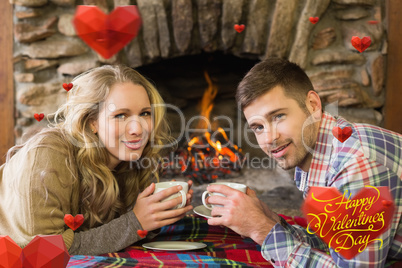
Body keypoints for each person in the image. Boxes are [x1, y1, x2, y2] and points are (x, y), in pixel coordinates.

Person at [205, 57, 402, 267]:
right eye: (258, 127)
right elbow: (332, 244)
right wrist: (268, 218)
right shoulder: (315, 152)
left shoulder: (354, 165)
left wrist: (261, 229)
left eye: (278, 116)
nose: (269, 138)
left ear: (313, 105)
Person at [0, 65, 193, 255]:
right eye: (120, 115)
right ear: (92, 122)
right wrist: (135, 222)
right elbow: (43, 251)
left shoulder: (126, 159)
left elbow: (108, 234)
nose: (138, 129)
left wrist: (158, 214)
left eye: (144, 113)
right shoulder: (47, 155)